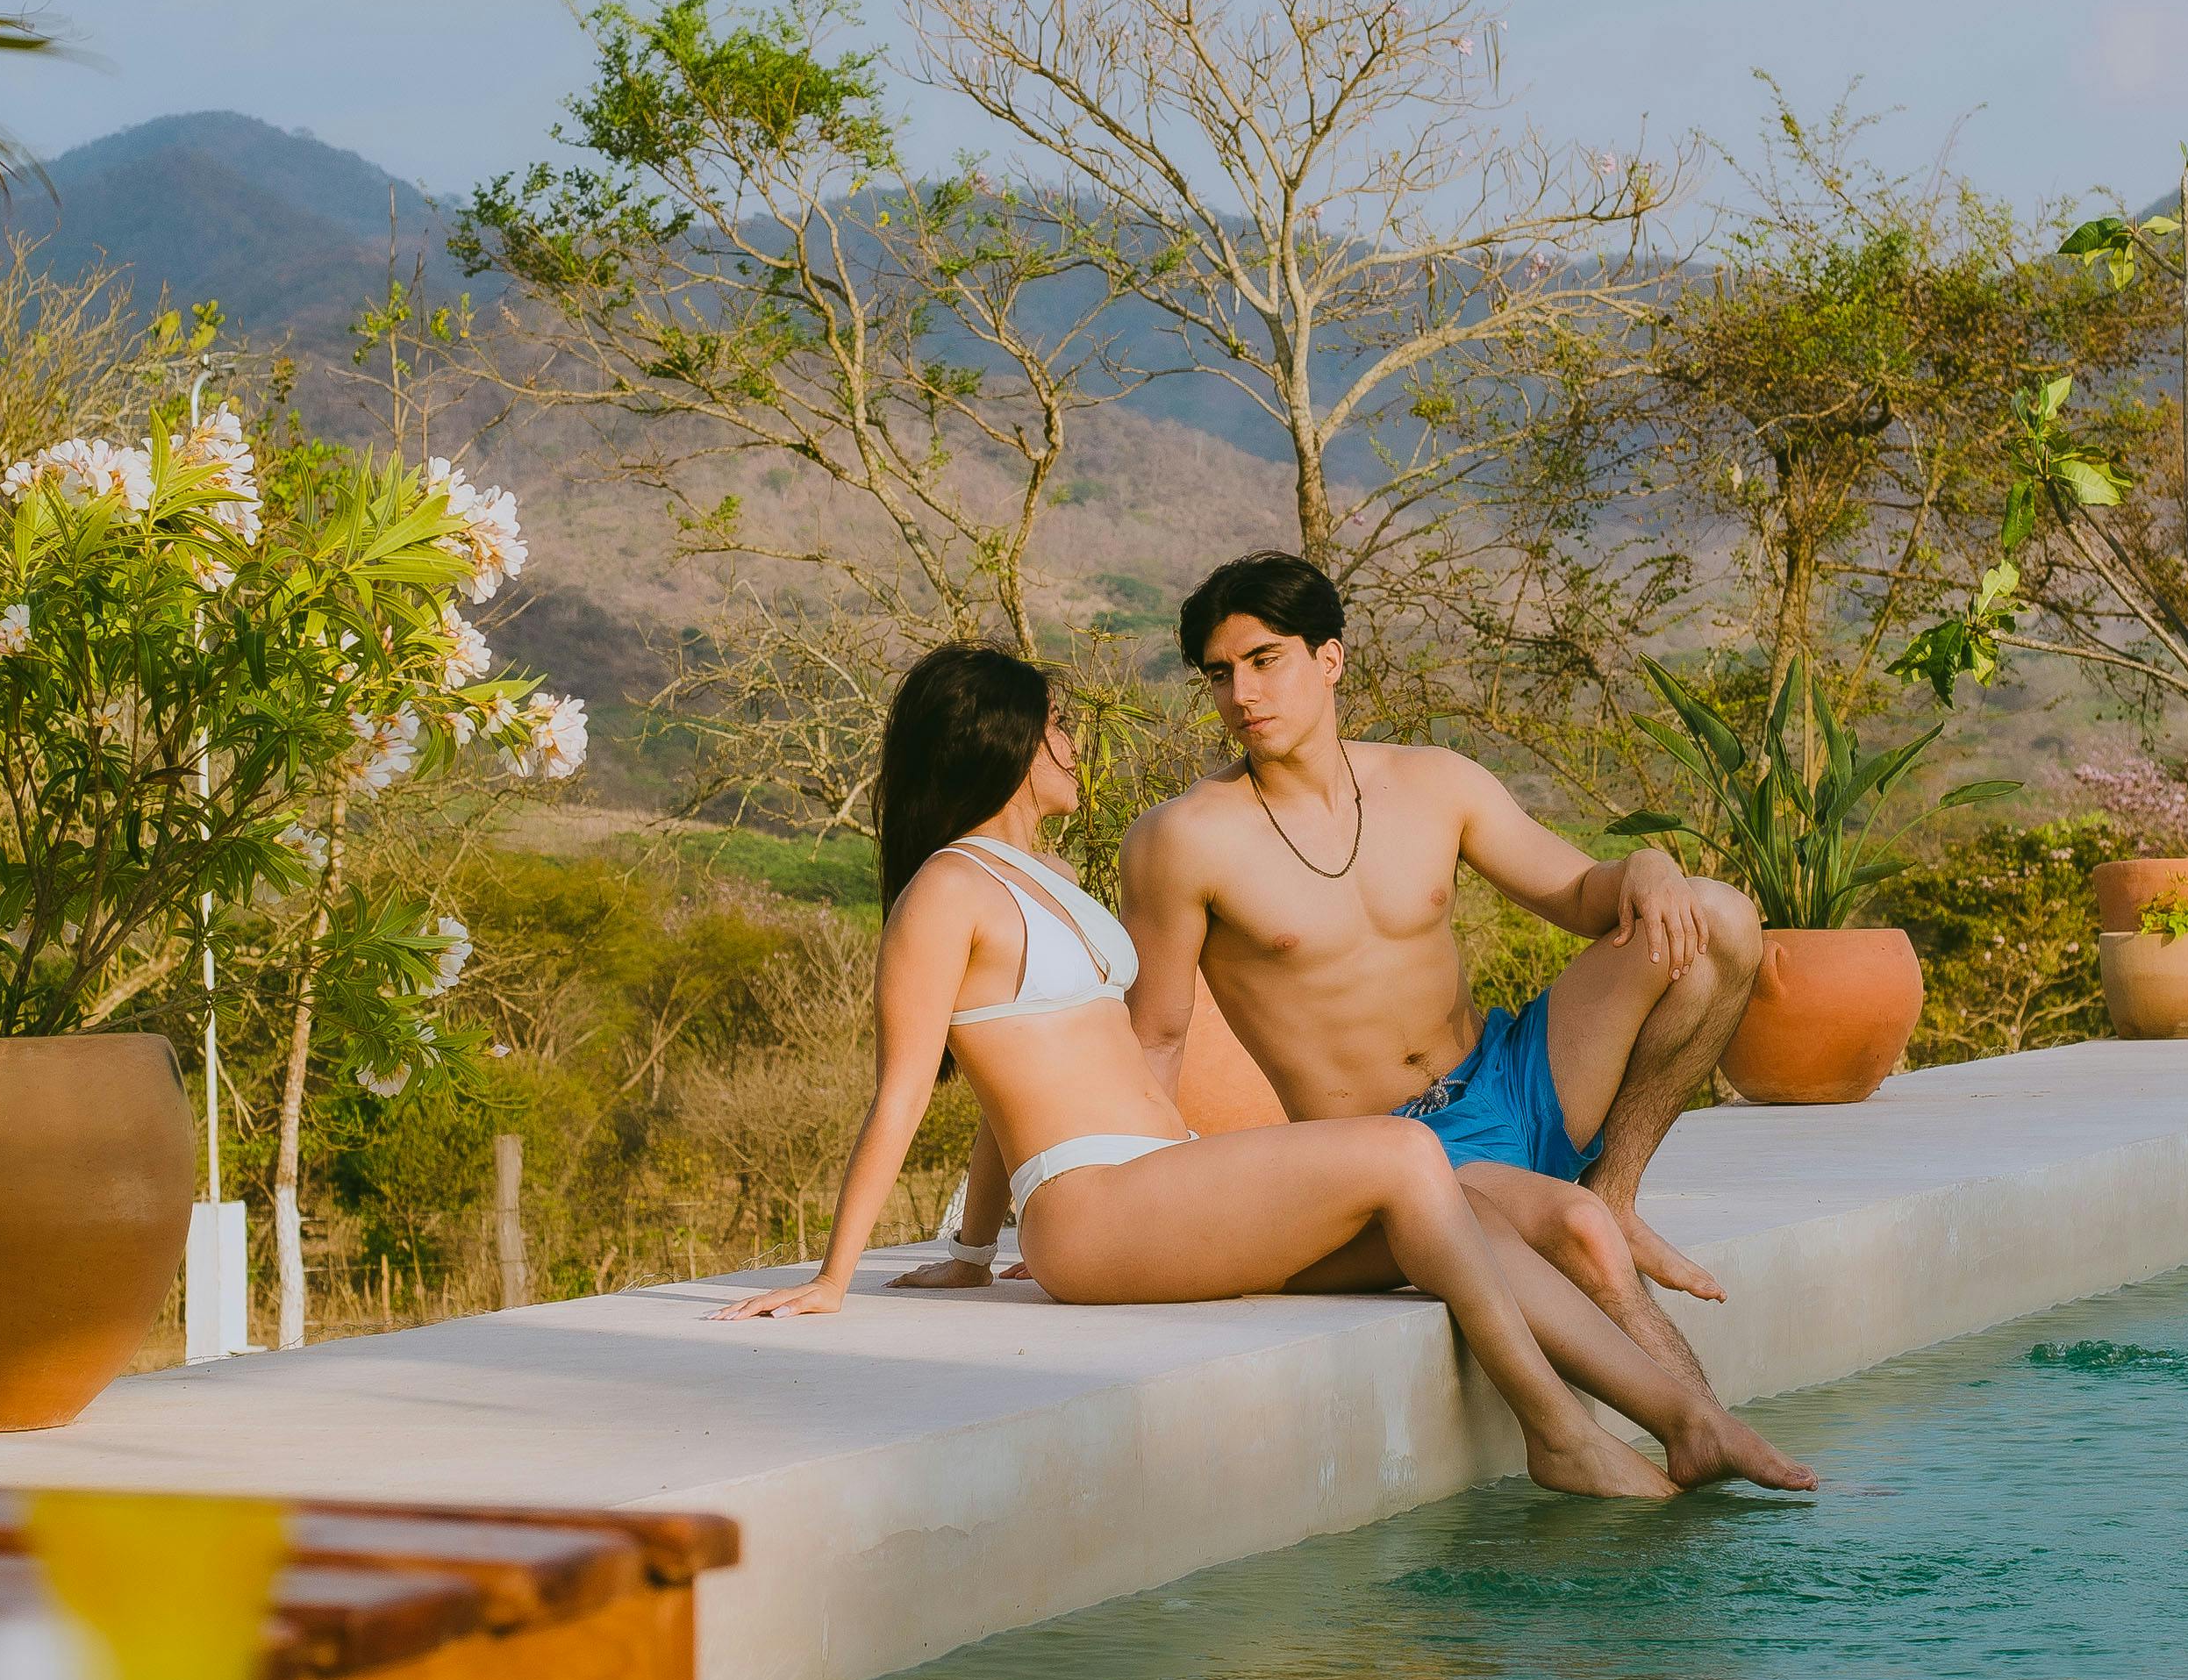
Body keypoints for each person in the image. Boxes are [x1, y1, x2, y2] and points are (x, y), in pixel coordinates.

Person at [725, 642, 1810, 1500]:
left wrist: (969, 1249)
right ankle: (1558, 1431)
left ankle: (1686, 1421)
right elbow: (908, 1086)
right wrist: (834, 1275)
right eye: (1056, 722)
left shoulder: (1041, 874)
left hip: (1160, 1181)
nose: (1069, 740)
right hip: (1094, 1204)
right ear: (1008, 740)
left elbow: (1024, 1077)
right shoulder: (944, 892)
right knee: (1402, 1150)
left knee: (1478, 1204)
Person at [1121, 552, 1764, 1361]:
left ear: (1330, 657)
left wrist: (1648, 866)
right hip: (1397, 1157)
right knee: (1582, 1248)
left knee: (1723, 919)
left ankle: (1618, 1193)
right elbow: (1157, 1037)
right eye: (1220, 674)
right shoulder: (1182, 840)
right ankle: (1704, 1442)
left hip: (1514, 1080)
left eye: (1264, 660)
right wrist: (1125, 1210)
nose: (1241, 695)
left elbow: (1574, 894)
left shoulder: (1432, 783)